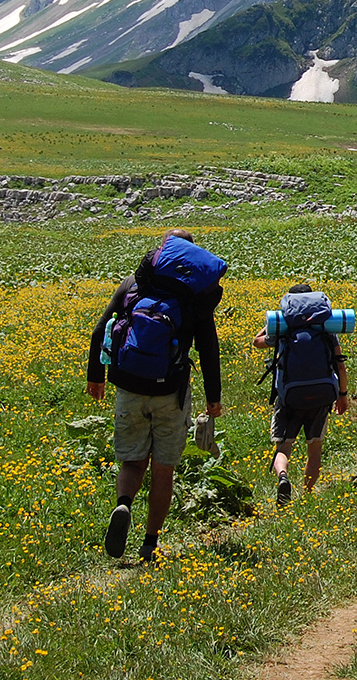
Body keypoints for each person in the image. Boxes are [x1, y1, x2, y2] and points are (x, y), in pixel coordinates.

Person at [86, 229, 225, 564]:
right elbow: (208, 348)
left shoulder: (134, 283)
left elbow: (100, 328)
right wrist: (213, 396)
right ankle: (149, 545)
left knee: (133, 462)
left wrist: (96, 376)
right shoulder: (195, 294)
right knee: (164, 471)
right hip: (170, 391)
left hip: (130, 385)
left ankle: (124, 503)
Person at [252, 283, 349, 504]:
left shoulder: (285, 329)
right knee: (314, 448)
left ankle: (283, 477)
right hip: (321, 396)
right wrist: (342, 394)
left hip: (289, 397)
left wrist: (270, 325)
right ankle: (307, 495)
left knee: (283, 446)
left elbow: (256, 342)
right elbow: (340, 365)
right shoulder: (325, 329)